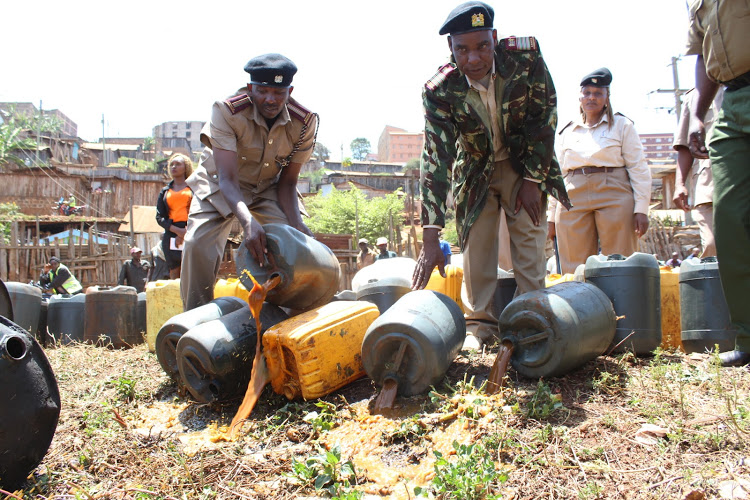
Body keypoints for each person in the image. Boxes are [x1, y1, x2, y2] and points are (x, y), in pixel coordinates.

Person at [411, 1, 570, 351]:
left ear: (494, 38)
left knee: (529, 242)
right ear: (450, 49)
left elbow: (544, 117)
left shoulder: (524, 59)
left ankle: (533, 319)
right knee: (477, 247)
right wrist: (430, 233)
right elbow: (436, 157)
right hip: (475, 171)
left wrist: (532, 180)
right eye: (462, 49)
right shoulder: (439, 89)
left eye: (482, 45)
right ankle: (479, 325)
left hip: (523, 162)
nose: (474, 59)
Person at [181, 53, 318, 311]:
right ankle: (194, 322)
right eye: (262, 90)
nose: (270, 99)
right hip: (220, 184)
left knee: (292, 245)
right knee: (197, 244)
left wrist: (297, 224)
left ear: (289, 91)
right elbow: (228, 179)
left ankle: (286, 324)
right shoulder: (227, 111)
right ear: (250, 88)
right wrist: (248, 223)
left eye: (278, 92)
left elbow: (288, 183)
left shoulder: (304, 122)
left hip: (269, 187)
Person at [685, 0, 750, 366]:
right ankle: (748, 336)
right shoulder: (697, 3)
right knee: (729, 221)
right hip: (730, 102)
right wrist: (698, 115)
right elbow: (702, 55)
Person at [549, 68, 652, 274]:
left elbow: (638, 168)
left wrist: (641, 208)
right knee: (573, 265)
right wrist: (551, 215)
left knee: (621, 261)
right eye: (587, 93)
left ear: (607, 98)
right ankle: (576, 305)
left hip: (614, 192)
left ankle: (622, 305)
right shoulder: (567, 131)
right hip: (572, 196)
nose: (591, 98)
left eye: (598, 93)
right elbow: (557, 174)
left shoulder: (622, 125)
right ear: (579, 97)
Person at [672, 87, 724, 258]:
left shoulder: (742, 84)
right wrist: (679, 184)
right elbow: (684, 146)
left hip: (741, 179)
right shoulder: (694, 96)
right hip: (707, 185)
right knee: (712, 246)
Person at [156, 153, 194, 279]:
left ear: (186, 167)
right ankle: (176, 297)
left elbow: (200, 212)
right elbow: (159, 217)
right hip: (171, 233)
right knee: (174, 270)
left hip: (191, 232)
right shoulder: (165, 191)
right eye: (171, 164)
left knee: (189, 269)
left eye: (178, 164)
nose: (174, 166)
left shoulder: (194, 189)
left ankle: (190, 298)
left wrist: (185, 231)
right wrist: (177, 231)